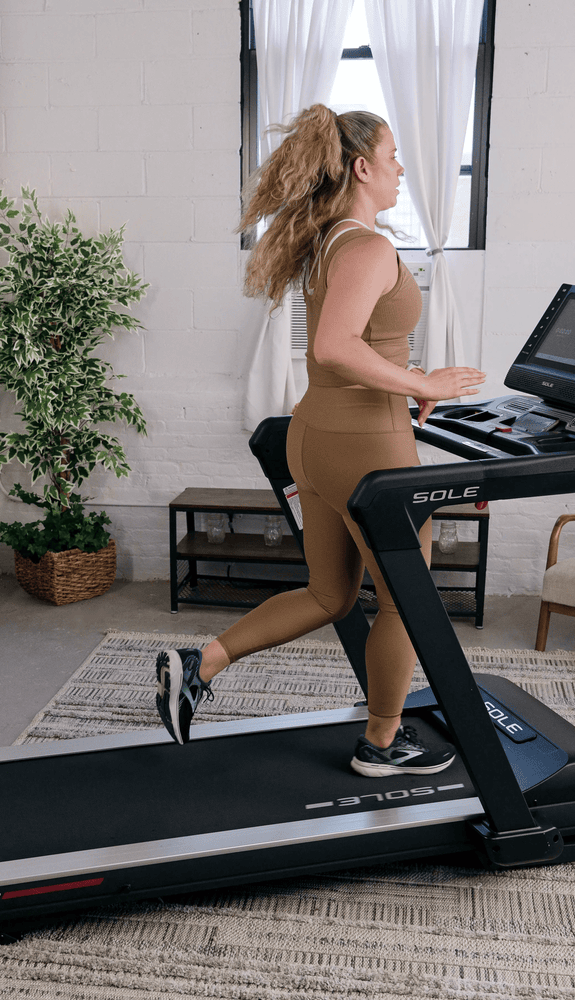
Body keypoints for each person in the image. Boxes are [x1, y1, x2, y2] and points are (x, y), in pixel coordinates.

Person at [154, 105, 488, 776]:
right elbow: (337, 347)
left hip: (315, 437)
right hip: (369, 442)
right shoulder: (368, 247)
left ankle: (201, 664)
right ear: (362, 167)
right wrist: (424, 384)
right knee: (405, 596)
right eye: (392, 158)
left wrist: (407, 382)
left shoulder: (330, 240)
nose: (399, 170)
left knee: (330, 593)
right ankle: (383, 743)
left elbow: (345, 346)